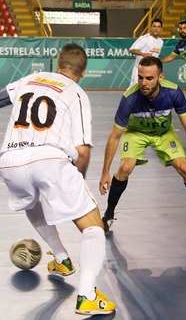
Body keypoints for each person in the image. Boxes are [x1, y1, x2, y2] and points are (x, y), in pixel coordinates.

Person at [0, 44, 115, 316]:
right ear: (83, 72)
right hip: (49, 159)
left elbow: (1, 98)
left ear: (57, 63)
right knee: (92, 226)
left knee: (32, 202)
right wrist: (76, 183)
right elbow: (83, 151)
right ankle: (87, 295)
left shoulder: (28, 80)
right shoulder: (76, 93)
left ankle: (62, 259)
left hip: (9, 160)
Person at [99, 56, 186, 237]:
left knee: (184, 167)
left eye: (149, 78)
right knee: (125, 167)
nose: (143, 83)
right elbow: (114, 136)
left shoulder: (173, 92)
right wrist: (105, 171)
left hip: (163, 132)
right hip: (136, 132)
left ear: (160, 77)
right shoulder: (130, 98)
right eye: (140, 77)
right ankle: (108, 215)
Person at [129, 18, 163, 86]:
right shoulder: (145, 38)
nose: (156, 28)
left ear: (161, 29)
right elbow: (132, 50)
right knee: (133, 93)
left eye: (158, 27)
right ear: (151, 28)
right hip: (139, 72)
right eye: (154, 26)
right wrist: (143, 54)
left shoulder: (161, 42)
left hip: (150, 73)